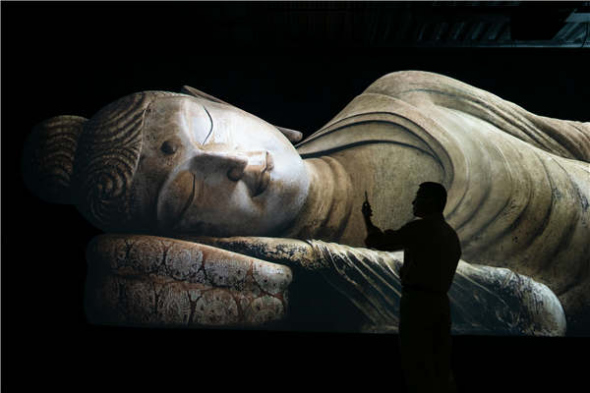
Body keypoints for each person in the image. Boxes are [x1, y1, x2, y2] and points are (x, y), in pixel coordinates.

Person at [22, 71, 589, 334]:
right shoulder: (356, 288)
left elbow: (568, 136)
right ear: (192, 239)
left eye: (212, 125)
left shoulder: (397, 96)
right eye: (189, 192)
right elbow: (536, 320)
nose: (235, 163)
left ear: (224, 102)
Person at [363, 182, 460, 392]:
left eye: (418, 197)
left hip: (417, 305)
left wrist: (367, 219)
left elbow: (379, 242)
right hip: (441, 305)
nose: (413, 201)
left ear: (431, 201)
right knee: (440, 366)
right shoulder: (451, 235)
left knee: (416, 365)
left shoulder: (420, 228)